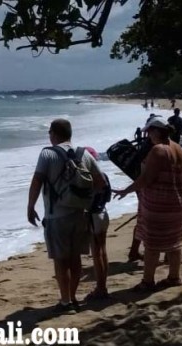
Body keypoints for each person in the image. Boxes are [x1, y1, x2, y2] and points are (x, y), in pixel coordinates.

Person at [27, 119, 105, 314]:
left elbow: (37, 180)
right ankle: (73, 297)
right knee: (76, 258)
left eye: (50, 132)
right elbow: (100, 181)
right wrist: (86, 200)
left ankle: (65, 302)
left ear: (54, 133)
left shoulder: (47, 153)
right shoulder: (84, 153)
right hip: (80, 214)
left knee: (61, 260)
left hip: (56, 216)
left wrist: (30, 206)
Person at [113, 116, 182, 291]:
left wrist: (125, 191)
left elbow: (146, 179)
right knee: (175, 242)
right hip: (179, 202)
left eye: (149, 131)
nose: (148, 135)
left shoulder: (158, 150)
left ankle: (148, 281)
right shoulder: (179, 149)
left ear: (156, 131)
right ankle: (174, 277)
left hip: (159, 204)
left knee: (152, 244)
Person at [85, 147, 111, 300]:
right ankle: (103, 285)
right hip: (104, 213)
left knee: (96, 254)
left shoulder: (88, 178)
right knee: (103, 251)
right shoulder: (104, 176)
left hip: (93, 216)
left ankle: (101, 288)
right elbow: (107, 197)